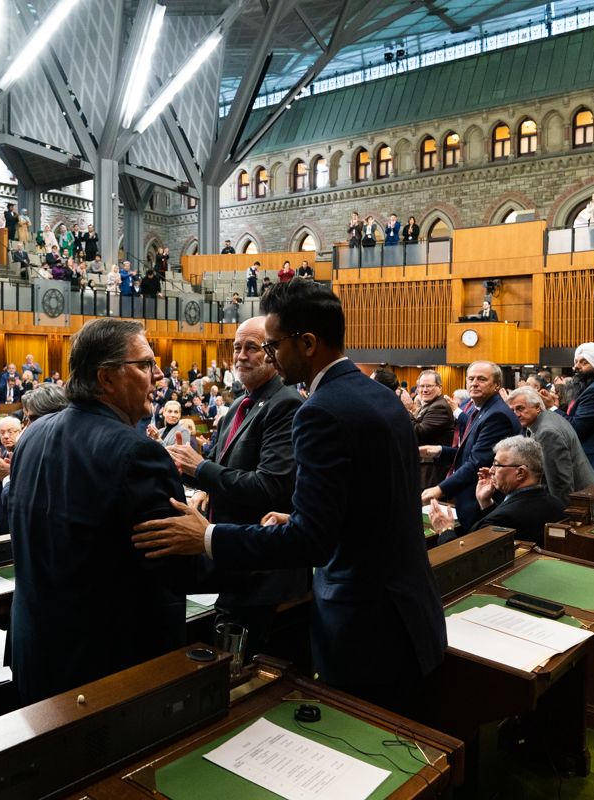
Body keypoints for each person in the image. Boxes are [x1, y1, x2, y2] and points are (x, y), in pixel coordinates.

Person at [131, 281, 446, 713]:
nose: (270, 354)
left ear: (308, 343)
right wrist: (297, 515)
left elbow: (310, 542)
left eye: (273, 344)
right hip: (408, 608)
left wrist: (206, 537)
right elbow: (372, 501)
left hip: (365, 625)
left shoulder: (320, 411)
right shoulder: (380, 395)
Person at [7, 318, 200, 704]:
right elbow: (178, 567)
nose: (158, 375)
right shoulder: (137, 453)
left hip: (36, 653)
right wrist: (223, 542)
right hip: (107, 674)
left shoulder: (32, 435)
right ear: (106, 378)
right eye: (145, 364)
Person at [167, 316, 307, 655]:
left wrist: (200, 468)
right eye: (236, 348)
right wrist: (181, 466)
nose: (241, 356)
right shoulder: (238, 406)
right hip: (230, 562)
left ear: (271, 353)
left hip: (263, 570)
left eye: (251, 348)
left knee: (245, 665)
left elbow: (269, 486)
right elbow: (213, 466)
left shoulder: (286, 404)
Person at [421, 361, 520, 533]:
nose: (474, 383)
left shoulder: (496, 415)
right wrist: (440, 451)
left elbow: (477, 462)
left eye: (482, 379)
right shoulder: (478, 408)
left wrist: (440, 489)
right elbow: (470, 452)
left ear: (497, 385)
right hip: (472, 499)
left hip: (485, 501)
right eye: (471, 379)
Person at [426, 436, 567, 547]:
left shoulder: (502, 519)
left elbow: (463, 558)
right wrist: (486, 503)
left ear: (520, 473)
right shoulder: (557, 505)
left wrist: (445, 530)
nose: (491, 470)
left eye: (497, 465)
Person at [507, 387, 594, 503]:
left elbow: (560, 484)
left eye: (520, 408)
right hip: (585, 495)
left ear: (537, 407)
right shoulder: (547, 418)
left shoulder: (547, 433)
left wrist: (560, 513)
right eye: (513, 410)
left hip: (582, 501)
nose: (516, 414)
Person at [544, 342, 594, 480]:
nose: (576, 367)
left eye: (584, 363)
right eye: (576, 362)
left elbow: (575, 428)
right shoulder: (590, 388)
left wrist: (551, 407)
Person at [411, 370, 455, 489]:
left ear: (439, 387)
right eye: (421, 386)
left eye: (429, 386)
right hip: (424, 470)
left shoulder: (440, 407)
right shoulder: (428, 405)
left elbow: (418, 433)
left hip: (431, 472)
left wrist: (407, 409)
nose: (424, 390)